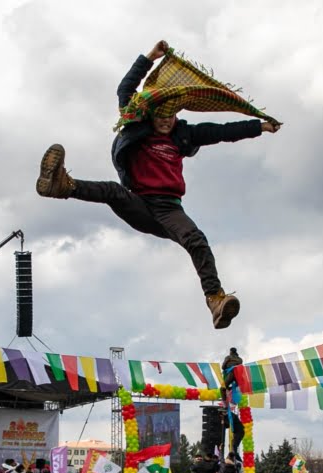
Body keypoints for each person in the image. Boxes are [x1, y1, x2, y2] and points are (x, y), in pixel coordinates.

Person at [35, 40, 282, 329]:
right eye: (160, 116)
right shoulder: (135, 125)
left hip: (169, 209)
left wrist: (259, 126)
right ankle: (62, 186)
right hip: (139, 202)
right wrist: (150, 57)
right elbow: (125, 89)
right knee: (113, 192)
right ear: (151, 113)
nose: (166, 121)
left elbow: (222, 132)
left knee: (196, 239)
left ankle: (215, 299)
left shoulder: (184, 134)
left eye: (171, 115)